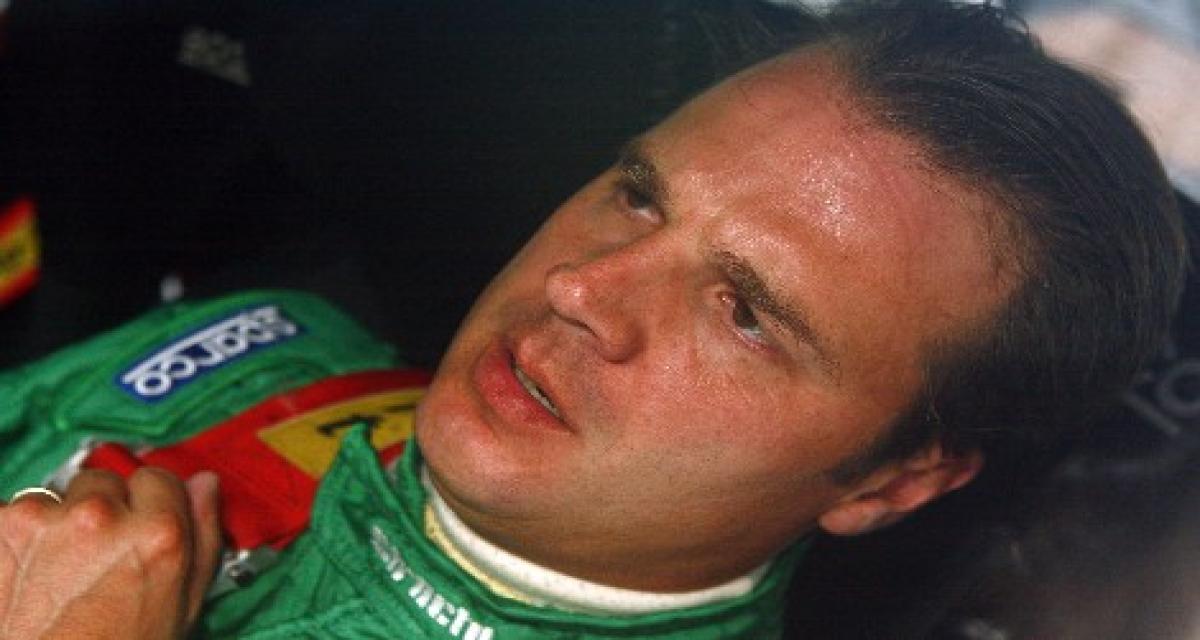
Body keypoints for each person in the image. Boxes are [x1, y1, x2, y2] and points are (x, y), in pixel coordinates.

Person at [0, 0, 1187, 637]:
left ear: (892, 480)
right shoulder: (300, 334)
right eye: (639, 195)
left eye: (746, 314)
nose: (581, 289)